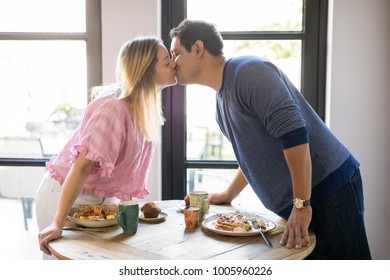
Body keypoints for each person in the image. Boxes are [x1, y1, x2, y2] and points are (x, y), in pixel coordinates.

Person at [169, 19, 371, 260]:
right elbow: (252, 157)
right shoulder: (221, 102)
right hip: (305, 198)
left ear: (199, 48)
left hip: (328, 189)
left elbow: (295, 136)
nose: (173, 63)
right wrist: (228, 194)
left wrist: (301, 205)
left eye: (176, 53)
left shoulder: (249, 73)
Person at [36, 37, 177, 257]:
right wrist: (57, 222)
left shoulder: (144, 108)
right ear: (146, 70)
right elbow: (82, 167)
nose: (174, 65)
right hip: (65, 200)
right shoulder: (112, 107)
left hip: (100, 204)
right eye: (167, 62)